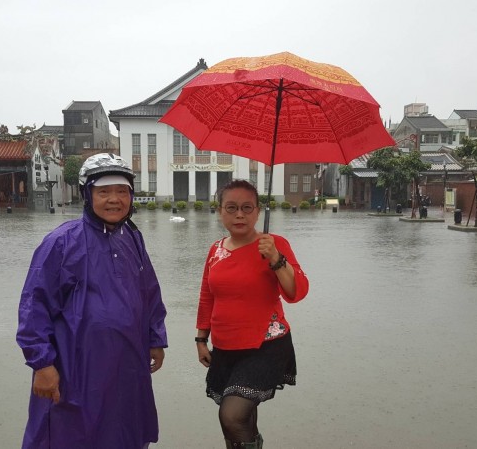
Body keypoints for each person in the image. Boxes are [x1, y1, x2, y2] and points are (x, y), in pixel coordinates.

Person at [16, 153, 168, 449]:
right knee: (69, 433)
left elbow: (149, 291)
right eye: (104, 191)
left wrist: (155, 337)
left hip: (127, 365)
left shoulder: (132, 238)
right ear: (88, 194)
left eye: (122, 191)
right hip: (75, 368)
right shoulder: (61, 242)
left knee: (123, 430)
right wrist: (43, 364)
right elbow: (34, 306)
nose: (114, 199)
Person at [195, 179, 309, 449]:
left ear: (258, 211)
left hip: (265, 345)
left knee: (232, 415)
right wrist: (201, 339)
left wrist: (275, 259)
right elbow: (207, 296)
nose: (239, 214)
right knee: (243, 422)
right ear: (220, 210)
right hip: (225, 346)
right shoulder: (216, 250)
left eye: (247, 208)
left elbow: (297, 292)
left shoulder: (274, 244)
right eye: (231, 207)